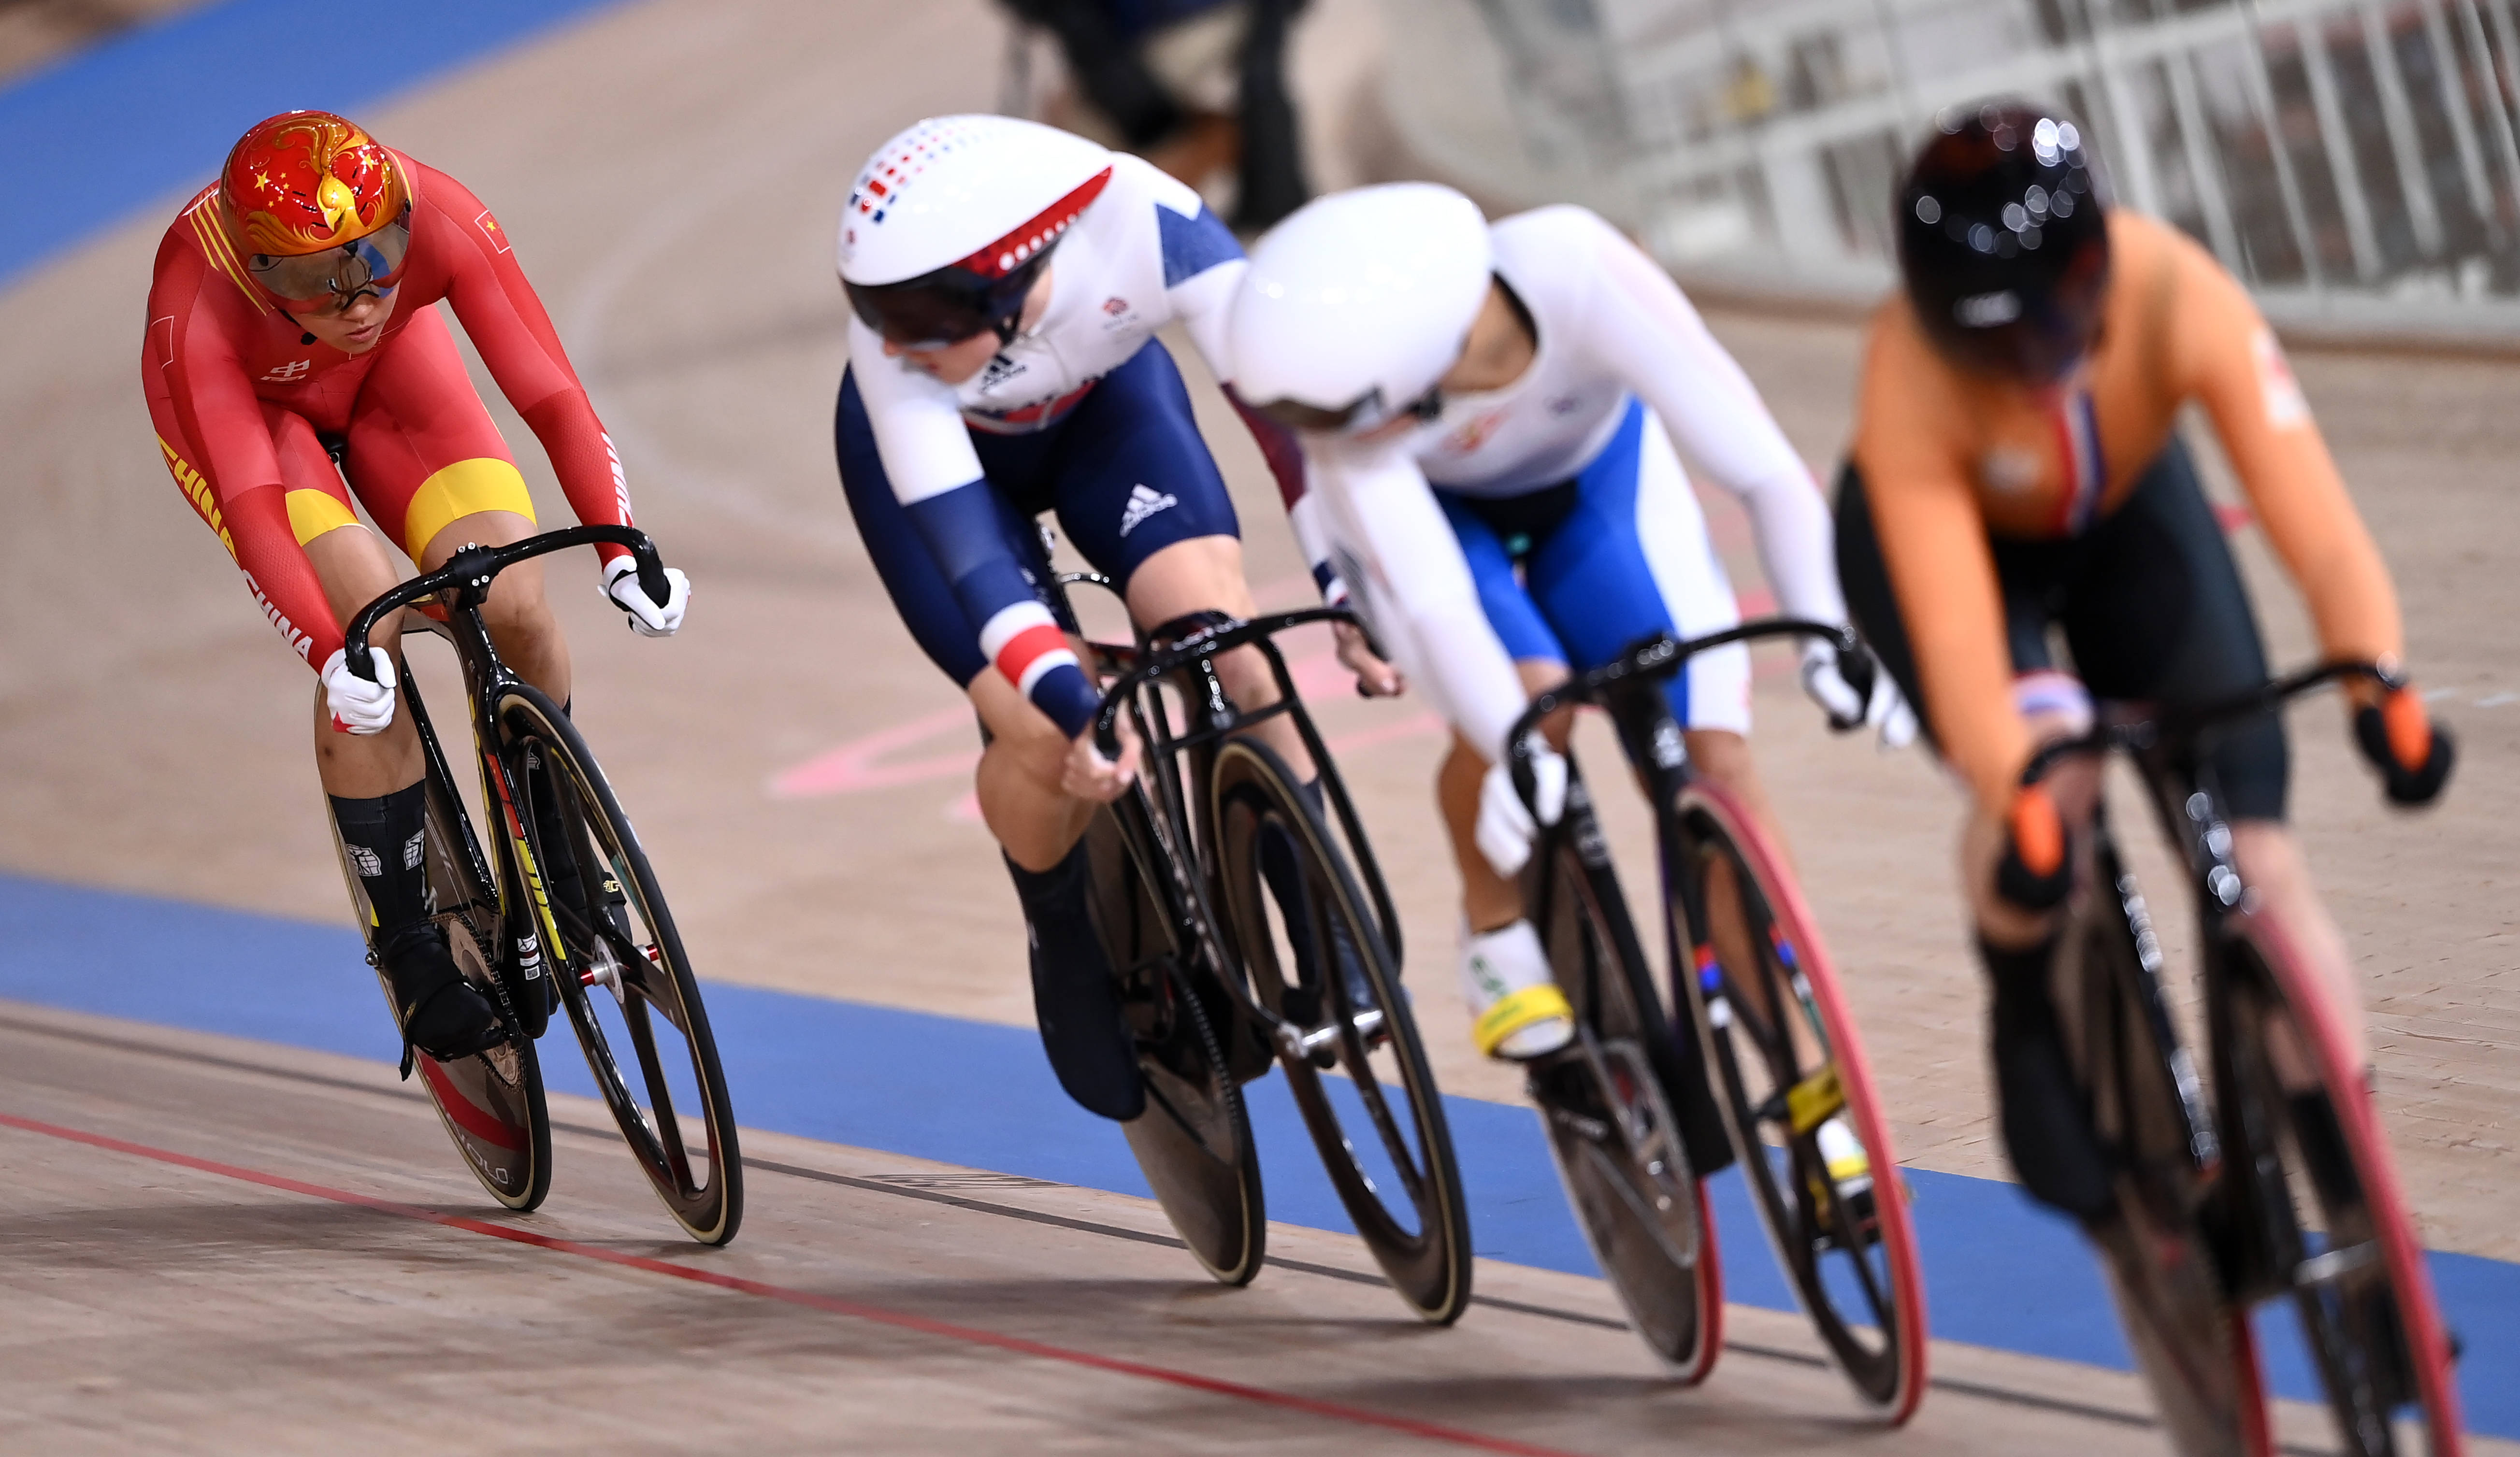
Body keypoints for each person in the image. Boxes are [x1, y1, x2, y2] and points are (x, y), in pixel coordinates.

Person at [1834, 101, 2454, 1223]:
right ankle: (2025, 1007)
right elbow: (1969, 650)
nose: (2033, 373)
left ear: (2100, 269)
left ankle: (2371, 1232)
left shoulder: (2176, 288)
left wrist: (2377, 680)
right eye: (1994, 350)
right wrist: (2022, 796)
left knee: (2261, 863)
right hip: (1959, 553)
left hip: (2125, 519)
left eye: (2058, 328)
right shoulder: (1907, 376)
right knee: (2051, 775)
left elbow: (2314, 523)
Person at [1225, 182, 1902, 1202]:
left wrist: (1831, 635)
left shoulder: (1579, 272)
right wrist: (1515, 739)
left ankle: (1809, 1082)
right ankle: (1494, 922)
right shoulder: (1353, 426)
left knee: (1714, 761)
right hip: (1446, 540)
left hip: (1600, 490)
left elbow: (1763, 470)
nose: (1338, 428)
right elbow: (1445, 610)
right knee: (1538, 699)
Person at [143, 110, 693, 1061]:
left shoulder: (439, 212)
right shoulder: (199, 303)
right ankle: (408, 947)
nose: (361, 299)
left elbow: (552, 392)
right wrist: (332, 652)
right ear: (267, 274)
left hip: (398, 383)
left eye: (380, 259)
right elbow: (253, 506)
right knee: (370, 639)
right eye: (325, 282)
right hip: (261, 431)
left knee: (513, 596)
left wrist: (620, 546)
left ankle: (562, 846)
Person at [834, 113, 1321, 1123]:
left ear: (1006, 281)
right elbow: (980, 577)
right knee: (1035, 725)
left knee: (1229, 634)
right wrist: (1070, 700)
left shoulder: (1150, 225)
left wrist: (1345, 580)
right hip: (947, 482)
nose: (892, 340)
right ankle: (1059, 921)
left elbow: (1291, 428)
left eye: (917, 314)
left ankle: (1319, 903)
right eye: (871, 309)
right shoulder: (895, 364)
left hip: (1108, 417)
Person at [997, 0, 1311, 229]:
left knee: (1100, 174)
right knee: (1076, 161)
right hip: (1114, 35)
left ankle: (1245, 167)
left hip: (1200, 19)